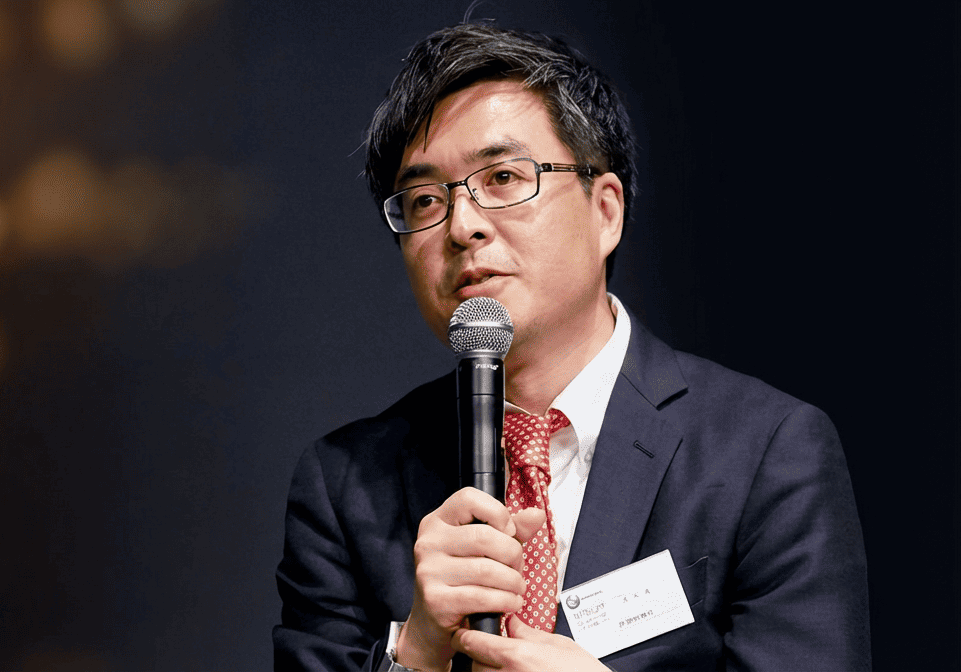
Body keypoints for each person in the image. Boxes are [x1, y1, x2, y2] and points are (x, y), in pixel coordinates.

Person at [272, 22, 869, 672]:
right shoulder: (346, 484)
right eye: (423, 200)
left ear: (605, 211)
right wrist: (414, 653)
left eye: (503, 177)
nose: (462, 225)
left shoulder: (764, 451)